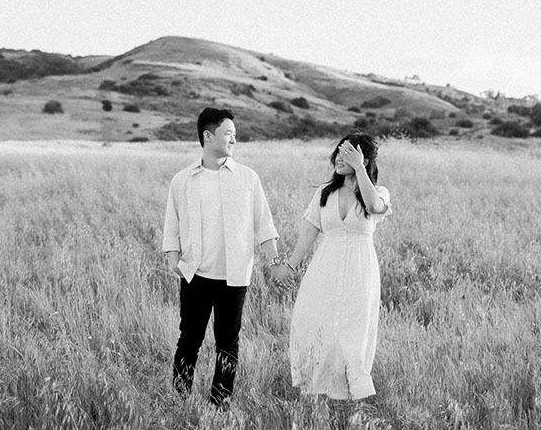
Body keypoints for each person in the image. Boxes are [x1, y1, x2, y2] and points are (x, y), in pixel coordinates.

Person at [162, 107, 287, 409]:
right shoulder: (184, 179)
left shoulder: (247, 178)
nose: (234, 139)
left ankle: (220, 403)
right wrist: (172, 257)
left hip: (234, 276)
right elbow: (173, 222)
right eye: (228, 133)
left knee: (228, 345)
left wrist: (274, 263)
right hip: (196, 274)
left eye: (234, 134)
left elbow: (264, 225)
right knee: (189, 341)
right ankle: (180, 399)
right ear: (207, 135)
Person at [278, 133, 392, 401]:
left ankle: (352, 394)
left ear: (363, 158)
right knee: (315, 323)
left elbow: (375, 205)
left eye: (348, 154)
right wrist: (290, 266)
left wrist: (360, 168)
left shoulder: (378, 193)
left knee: (353, 330)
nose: (339, 159)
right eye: (338, 153)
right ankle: (318, 390)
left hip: (359, 270)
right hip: (325, 267)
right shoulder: (324, 193)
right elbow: (309, 232)